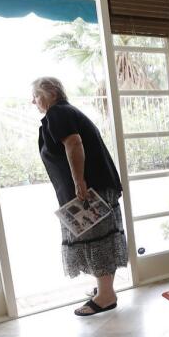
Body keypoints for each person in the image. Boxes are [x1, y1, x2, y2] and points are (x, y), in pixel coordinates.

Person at [31, 76, 128, 316]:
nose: (33, 101)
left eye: (35, 95)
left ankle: (106, 295)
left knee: (99, 241)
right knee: (99, 239)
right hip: (93, 187)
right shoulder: (63, 113)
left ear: (50, 93)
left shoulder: (58, 113)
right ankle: (104, 291)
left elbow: (74, 144)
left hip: (90, 189)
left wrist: (79, 181)